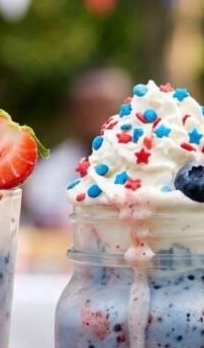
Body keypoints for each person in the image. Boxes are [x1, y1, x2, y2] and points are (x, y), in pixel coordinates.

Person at [25, 67, 131, 228]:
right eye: (86, 108)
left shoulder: (152, 168)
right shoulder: (51, 169)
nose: (93, 116)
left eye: (103, 107)